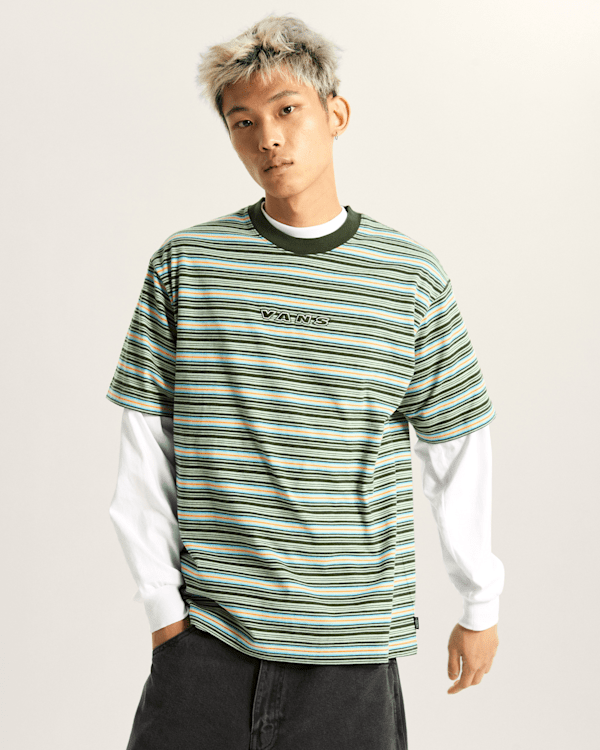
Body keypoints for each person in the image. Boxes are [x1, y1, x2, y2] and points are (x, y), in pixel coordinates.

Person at [107, 14, 504, 750]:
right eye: (243, 122)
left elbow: (456, 444)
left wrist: (480, 599)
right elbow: (144, 442)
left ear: (336, 114)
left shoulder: (409, 277)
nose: (269, 138)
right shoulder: (187, 265)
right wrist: (163, 608)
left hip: (351, 652)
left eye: (287, 109)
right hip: (207, 641)